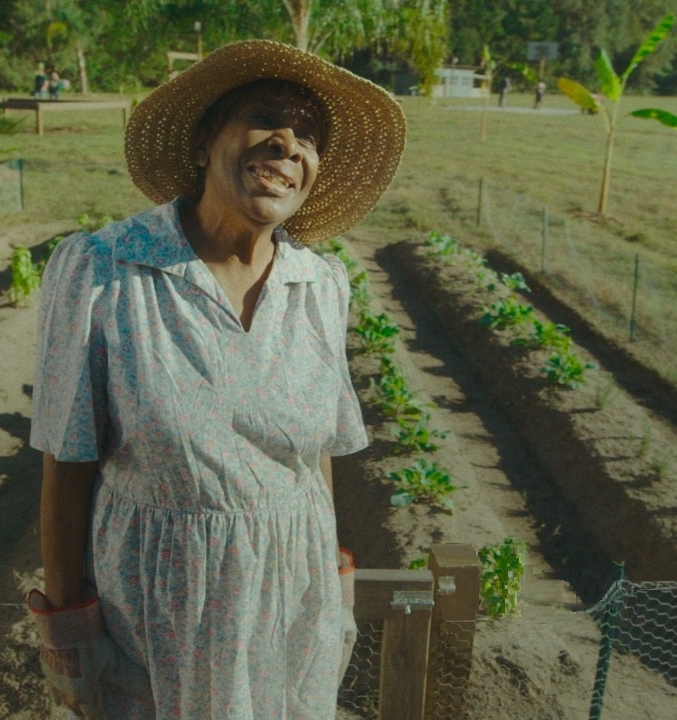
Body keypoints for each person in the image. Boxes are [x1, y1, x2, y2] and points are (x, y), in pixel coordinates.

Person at [26, 39, 406, 720]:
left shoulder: (320, 285)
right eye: (264, 117)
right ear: (204, 142)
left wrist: (333, 583)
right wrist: (67, 630)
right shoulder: (106, 270)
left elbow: (314, 455)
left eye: (309, 135)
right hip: (158, 604)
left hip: (293, 596)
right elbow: (67, 458)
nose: (288, 144)